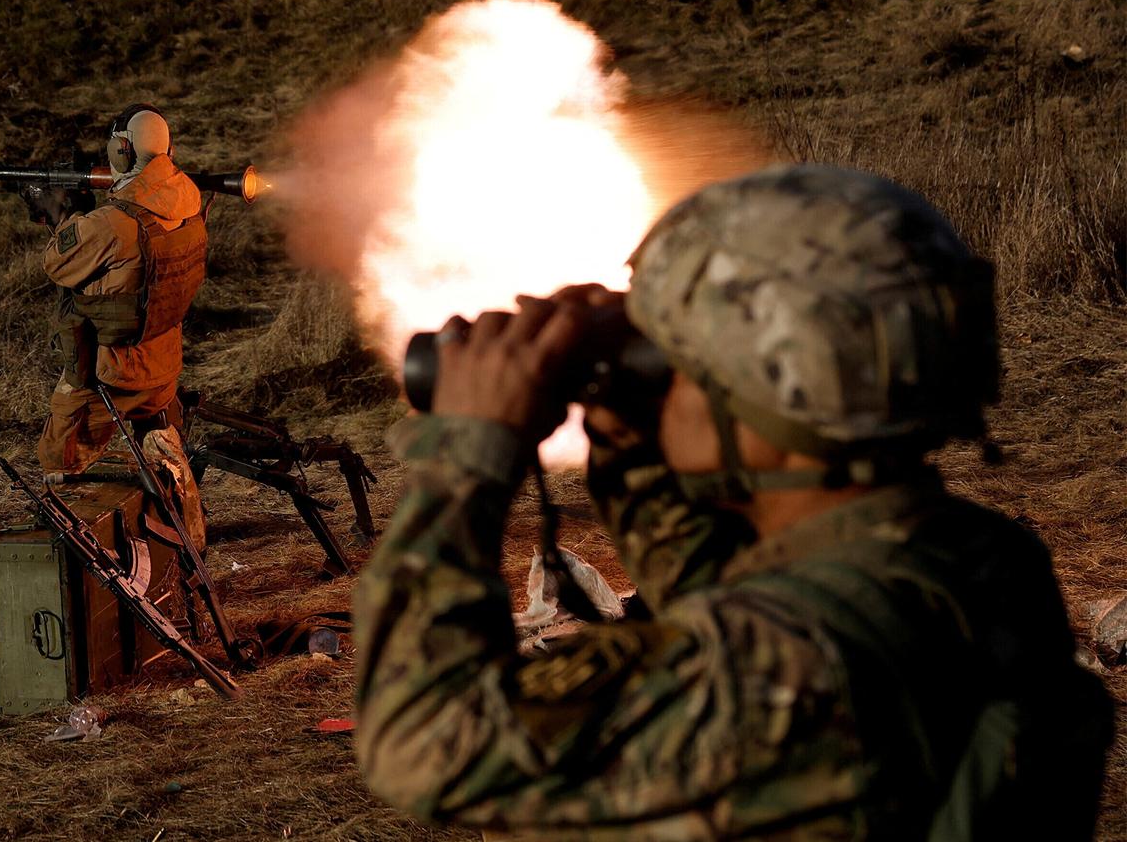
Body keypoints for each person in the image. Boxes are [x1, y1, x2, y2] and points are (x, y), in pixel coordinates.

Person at [354, 164, 1112, 839]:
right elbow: (725, 590)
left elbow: (422, 739)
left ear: (769, 395)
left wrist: (468, 454)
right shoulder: (976, 560)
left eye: (678, 365)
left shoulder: (784, 663)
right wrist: (630, 424)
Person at [21, 103, 208, 540]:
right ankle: (187, 538)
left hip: (116, 372)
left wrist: (60, 214)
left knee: (59, 454)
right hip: (163, 364)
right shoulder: (189, 200)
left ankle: (77, 554)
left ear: (123, 151)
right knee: (164, 453)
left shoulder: (112, 224)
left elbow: (57, 265)